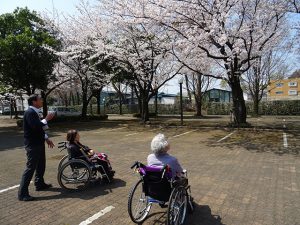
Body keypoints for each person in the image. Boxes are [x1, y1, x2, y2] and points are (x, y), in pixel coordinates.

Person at [18, 94, 55, 201]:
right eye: (40, 99)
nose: (42, 101)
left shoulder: (36, 112)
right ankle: (22, 193)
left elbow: (40, 128)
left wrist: (46, 138)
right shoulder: (29, 112)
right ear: (34, 102)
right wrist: (46, 119)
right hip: (33, 145)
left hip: (39, 143)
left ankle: (39, 184)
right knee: (30, 168)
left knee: (41, 165)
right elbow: (35, 126)